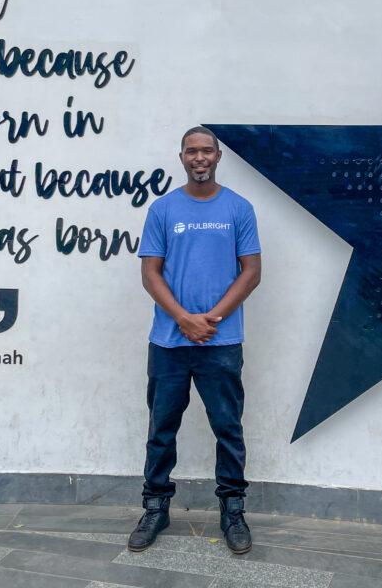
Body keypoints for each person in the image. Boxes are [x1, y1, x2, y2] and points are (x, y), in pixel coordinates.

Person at [128, 126, 262, 555]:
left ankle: (233, 511)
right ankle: (155, 507)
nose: (199, 157)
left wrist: (212, 319)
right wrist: (184, 319)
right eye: (191, 151)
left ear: (218, 156)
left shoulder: (239, 208)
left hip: (221, 343)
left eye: (206, 150)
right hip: (169, 343)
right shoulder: (163, 209)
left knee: (228, 428)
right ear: (181, 157)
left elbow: (252, 271)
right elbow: (150, 273)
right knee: (161, 430)